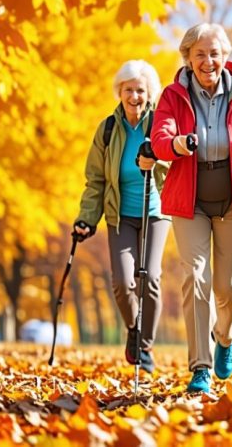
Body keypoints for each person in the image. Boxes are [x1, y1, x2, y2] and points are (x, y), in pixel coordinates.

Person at [151, 23, 232, 394]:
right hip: (191, 200)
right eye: (200, 54)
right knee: (196, 279)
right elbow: (159, 138)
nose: (208, 61)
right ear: (187, 57)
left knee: (230, 286)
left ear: (225, 57)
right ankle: (200, 366)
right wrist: (177, 146)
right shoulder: (173, 95)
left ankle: (225, 335)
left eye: (214, 53)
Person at [74, 60, 169, 374]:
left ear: (148, 93)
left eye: (140, 90)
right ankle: (134, 327)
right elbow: (96, 179)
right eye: (128, 89)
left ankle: (144, 347)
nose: (134, 96)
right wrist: (87, 218)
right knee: (122, 281)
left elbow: (174, 166)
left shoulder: (161, 123)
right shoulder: (108, 129)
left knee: (150, 278)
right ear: (120, 91)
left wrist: (156, 161)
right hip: (120, 215)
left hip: (156, 212)